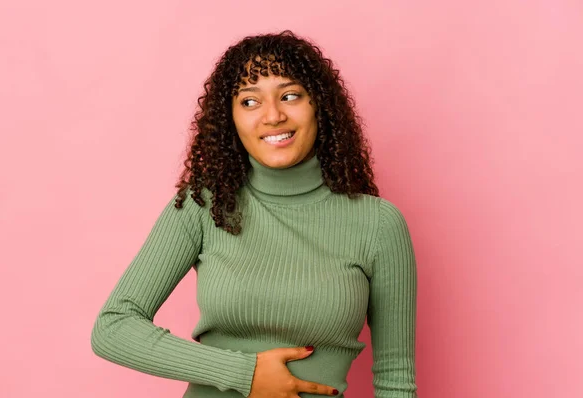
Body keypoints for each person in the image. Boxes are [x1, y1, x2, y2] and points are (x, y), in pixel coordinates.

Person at [91, 30, 418, 398]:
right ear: (230, 119)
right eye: (249, 102)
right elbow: (113, 327)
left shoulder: (378, 224)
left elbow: (395, 377)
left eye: (290, 96)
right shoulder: (204, 206)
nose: (273, 116)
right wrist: (244, 373)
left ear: (319, 106)